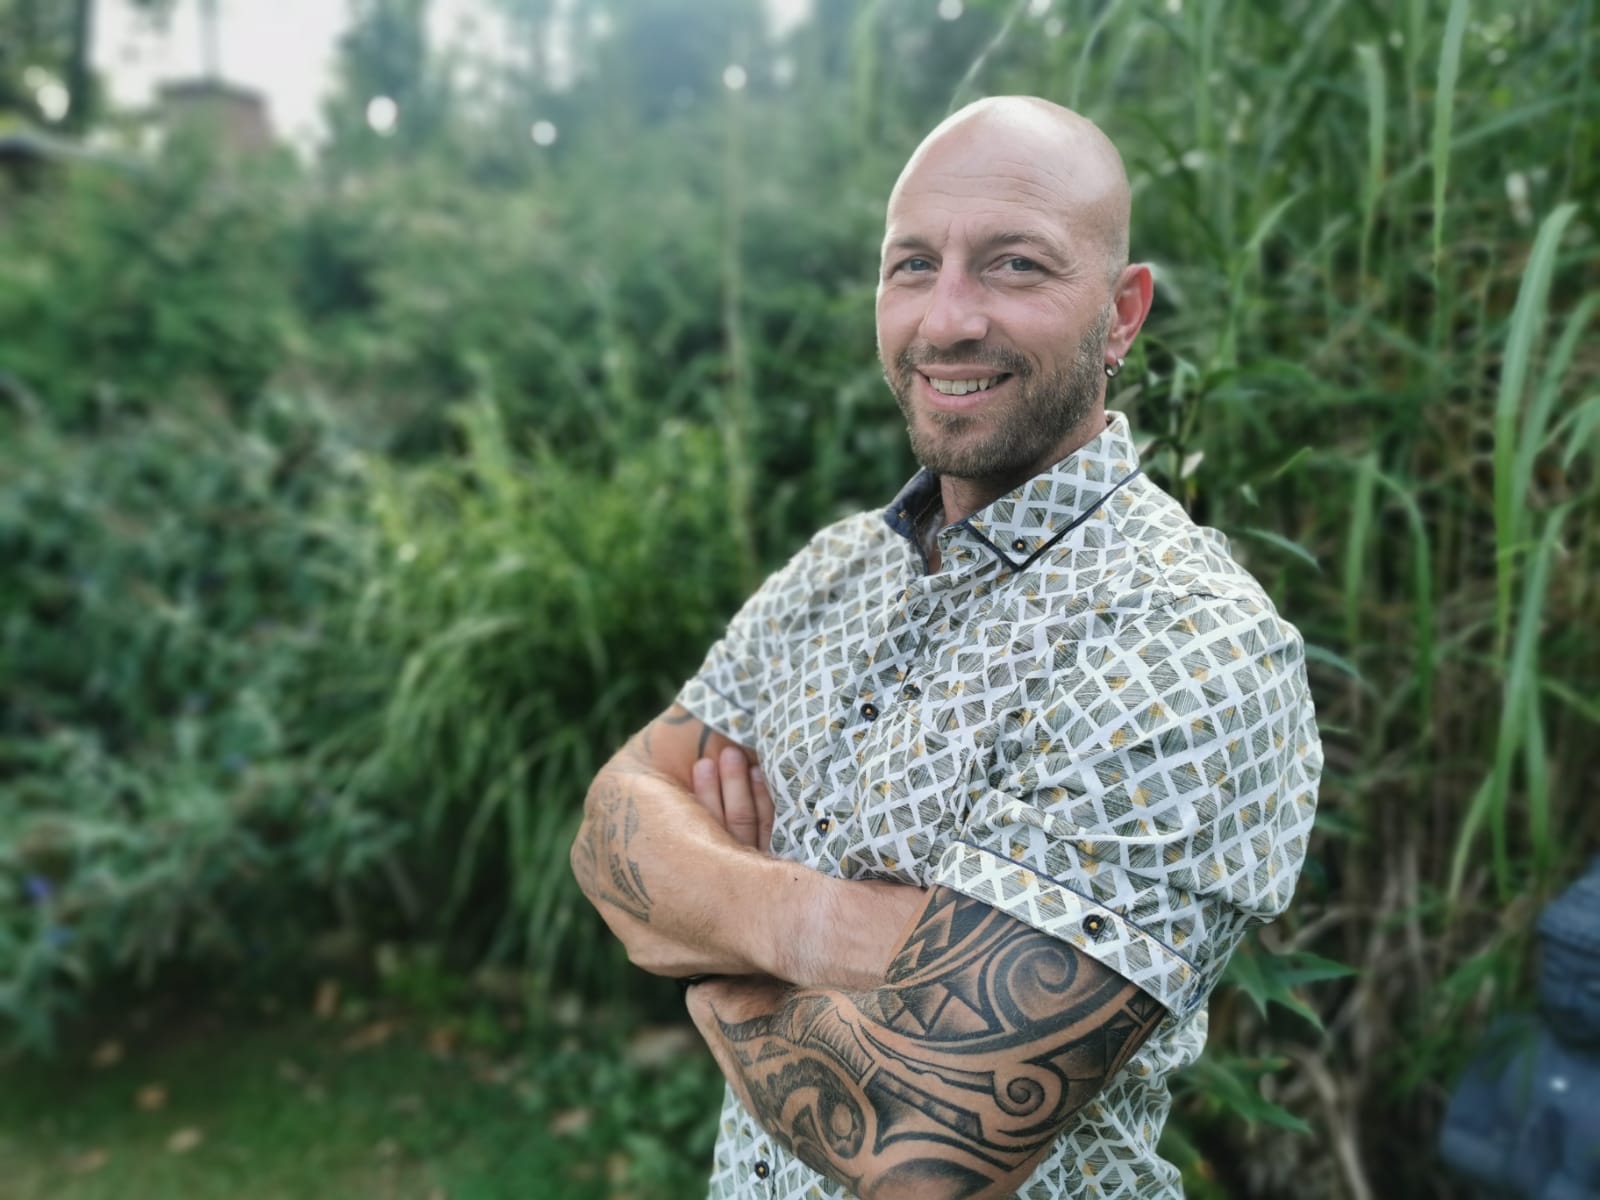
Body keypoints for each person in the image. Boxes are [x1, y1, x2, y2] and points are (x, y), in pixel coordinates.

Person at [571, 95, 1322, 1200]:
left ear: (1122, 314)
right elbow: (611, 825)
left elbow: (924, 1141)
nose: (949, 318)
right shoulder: (834, 570)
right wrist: (824, 927)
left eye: (1015, 265)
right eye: (913, 265)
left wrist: (707, 940)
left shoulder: (1185, 644)